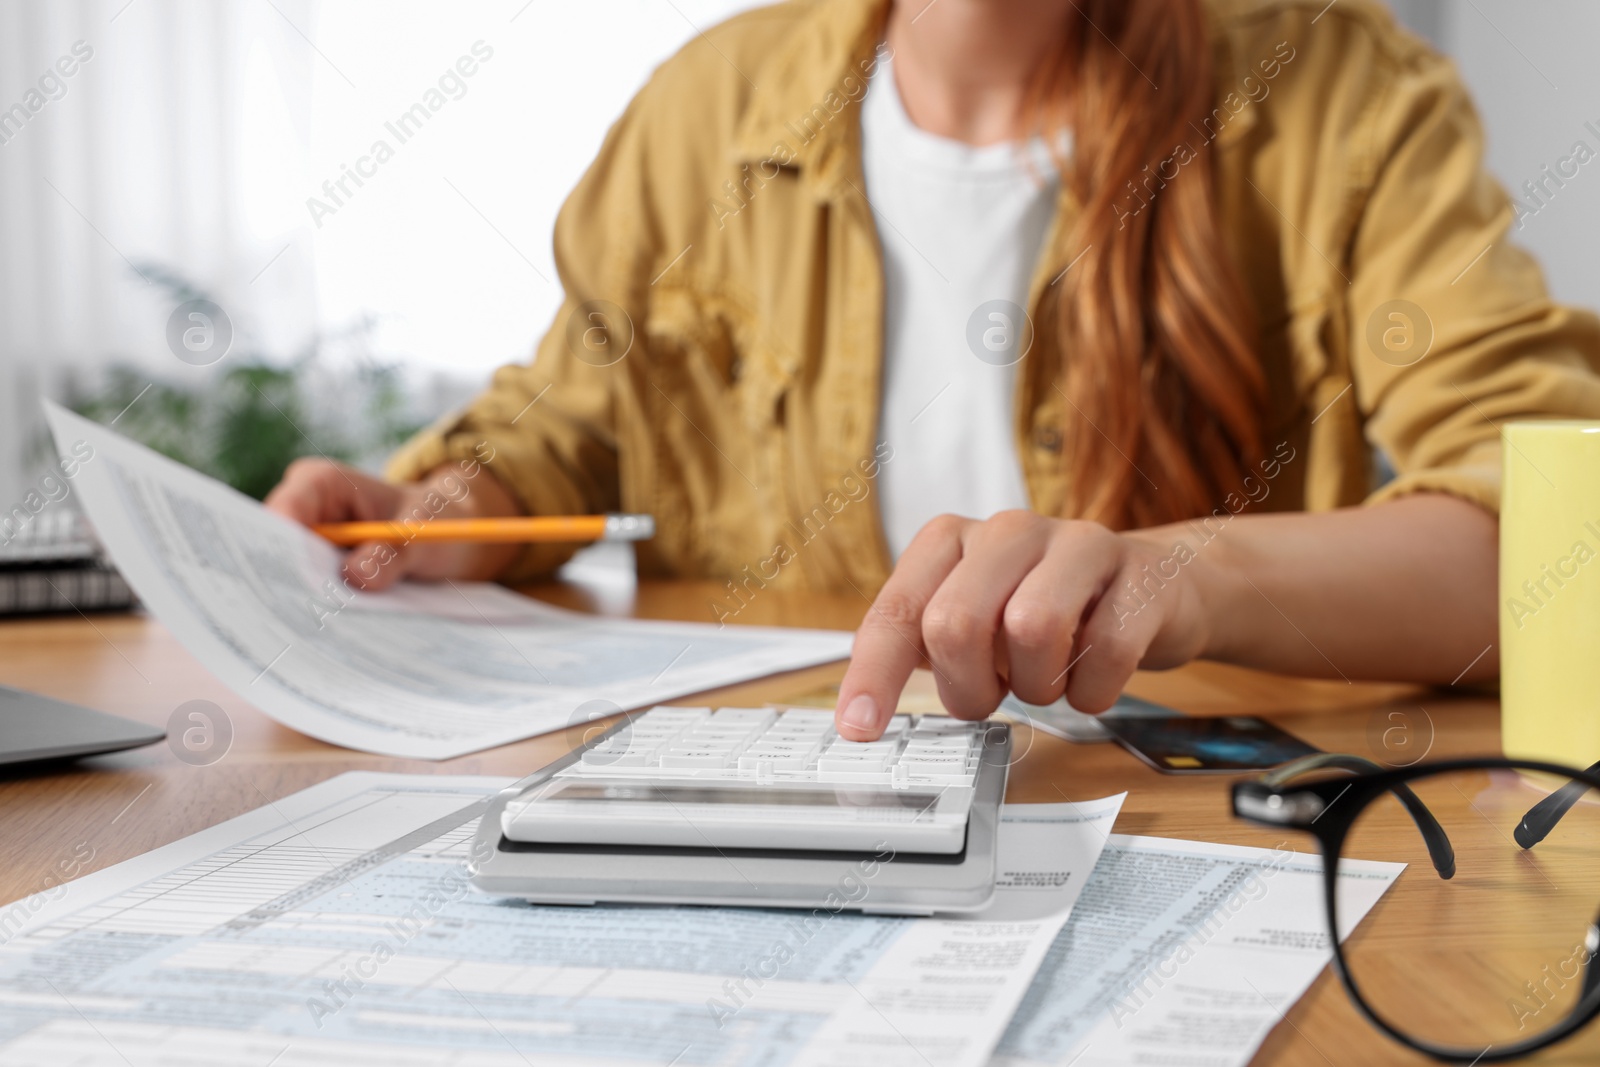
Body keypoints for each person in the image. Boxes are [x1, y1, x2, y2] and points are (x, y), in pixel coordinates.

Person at [267, 0, 1600, 743]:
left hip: (1190, 807)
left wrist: (1182, 573)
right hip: (799, 781)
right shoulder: (706, 106)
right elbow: (563, 424)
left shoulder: (1346, 95)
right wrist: (455, 511)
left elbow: (1559, 551)